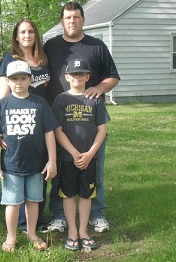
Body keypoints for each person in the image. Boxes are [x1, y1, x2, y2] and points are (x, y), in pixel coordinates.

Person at [43, 1, 120, 233]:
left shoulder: (96, 46)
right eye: (67, 17)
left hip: (90, 122)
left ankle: (96, 214)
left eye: (76, 17)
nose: (72, 21)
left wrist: (100, 87)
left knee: (94, 169)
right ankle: (59, 215)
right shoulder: (51, 46)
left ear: (83, 20)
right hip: (59, 122)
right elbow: (37, 71)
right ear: (62, 21)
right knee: (58, 171)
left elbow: (113, 76)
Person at [0, 60, 58, 252]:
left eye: (23, 78)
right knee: (12, 203)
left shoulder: (40, 103)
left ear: (30, 80)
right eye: (14, 79)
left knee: (33, 201)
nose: (19, 82)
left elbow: (49, 132)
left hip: (36, 165)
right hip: (11, 166)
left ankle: (31, 233)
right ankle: (10, 237)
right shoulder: (1, 105)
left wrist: (52, 160)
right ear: (8, 81)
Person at [0, 18, 50, 233]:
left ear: (36, 35)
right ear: (16, 36)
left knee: (40, 170)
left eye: (30, 31)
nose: (27, 35)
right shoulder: (9, 60)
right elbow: (3, 96)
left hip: (41, 121)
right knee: (18, 171)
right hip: (18, 123)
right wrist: (1, 128)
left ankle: (37, 220)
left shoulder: (44, 60)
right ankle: (20, 224)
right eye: (22, 32)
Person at [51, 58, 110, 250]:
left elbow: (102, 129)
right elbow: (57, 130)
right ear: (67, 77)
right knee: (68, 194)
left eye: (82, 74)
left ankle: (83, 231)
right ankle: (72, 232)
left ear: (88, 76)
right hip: (68, 158)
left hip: (89, 158)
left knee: (86, 194)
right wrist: (76, 154)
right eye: (74, 74)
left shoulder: (95, 99)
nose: (78, 77)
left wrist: (90, 154)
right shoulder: (61, 99)